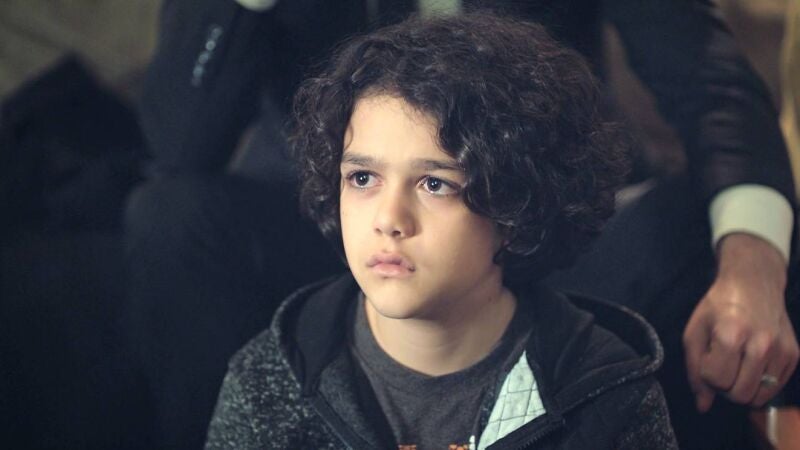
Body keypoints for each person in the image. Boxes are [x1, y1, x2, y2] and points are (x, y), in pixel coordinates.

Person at [127, 0, 797, 448]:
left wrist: (755, 268)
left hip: (537, 222)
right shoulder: (260, 382)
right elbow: (177, 145)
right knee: (169, 214)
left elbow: (711, 86)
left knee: (726, 223)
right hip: (317, 224)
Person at [204, 12, 677, 449]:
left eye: (435, 184)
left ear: (514, 210)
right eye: (363, 178)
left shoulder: (608, 397)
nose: (389, 220)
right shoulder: (267, 383)